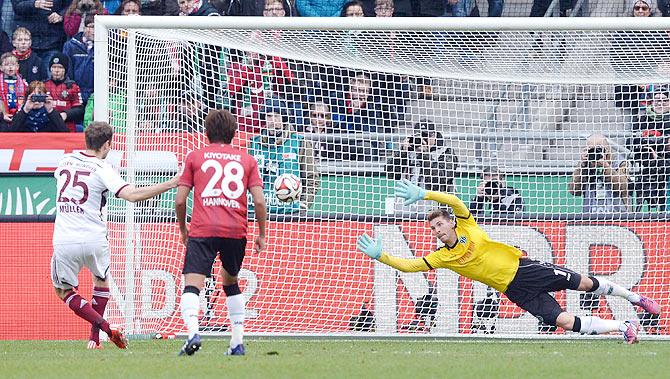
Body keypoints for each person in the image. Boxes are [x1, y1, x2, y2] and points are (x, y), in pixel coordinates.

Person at [357, 179, 661, 343]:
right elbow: (410, 266)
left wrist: (424, 194)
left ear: (449, 223)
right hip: (514, 290)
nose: (436, 231)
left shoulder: (468, 227)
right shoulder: (442, 257)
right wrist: (381, 256)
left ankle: (636, 298)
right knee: (563, 322)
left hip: (526, 269)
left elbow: (456, 202)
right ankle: (624, 327)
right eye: (432, 228)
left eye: (439, 225)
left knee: (583, 283)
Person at [51, 121, 179, 349]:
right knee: (101, 282)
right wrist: (171, 183)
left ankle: (104, 331)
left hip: (65, 238)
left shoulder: (64, 161)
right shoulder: (103, 168)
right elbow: (131, 195)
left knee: (64, 291)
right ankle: (95, 337)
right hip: (94, 238)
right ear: (108, 144)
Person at [175, 109, 267, 356]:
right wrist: (262, 234)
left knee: (192, 285)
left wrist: (184, 228)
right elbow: (259, 201)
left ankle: (193, 333)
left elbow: (180, 200)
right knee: (231, 283)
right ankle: (237, 343)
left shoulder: (195, 157)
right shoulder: (247, 160)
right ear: (234, 134)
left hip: (203, 229)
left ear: (206, 133)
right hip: (235, 230)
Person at [248, 97, 320, 213]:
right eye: (269, 116)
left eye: (276, 116)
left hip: (288, 214)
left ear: (284, 118)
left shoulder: (300, 142)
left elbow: (311, 177)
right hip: (256, 212)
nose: (272, 120)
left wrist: (303, 204)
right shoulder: (253, 144)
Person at [386, 120, 458, 213]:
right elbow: (391, 174)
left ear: (434, 136)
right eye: (419, 136)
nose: (422, 140)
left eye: (426, 136)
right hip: (405, 208)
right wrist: (402, 153)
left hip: (436, 210)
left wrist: (424, 155)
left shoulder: (446, 152)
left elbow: (438, 181)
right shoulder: (408, 151)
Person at [568, 133, 630, 214]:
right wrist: (582, 165)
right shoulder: (586, 165)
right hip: (590, 219)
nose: (594, 153)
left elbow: (623, 188)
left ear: (606, 150)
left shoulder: (620, 163)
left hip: (617, 217)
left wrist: (606, 167)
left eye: (598, 149)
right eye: (591, 150)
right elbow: (574, 191)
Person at [3, 80, 68, 132]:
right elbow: (11, 132)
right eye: (34, 97)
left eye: (40, 96)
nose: (37, 101)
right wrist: (25, 110)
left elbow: (65, 132)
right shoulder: (21, 113)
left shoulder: (51, 114)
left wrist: (50, 111)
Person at [44, 52, 84, 132]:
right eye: (54, 67)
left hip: (67, 127)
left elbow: (79, 110)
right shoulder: (43, 85)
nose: (56, 70)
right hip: (47, 127)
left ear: (65, 69)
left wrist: (66, 114)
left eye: (60, 67)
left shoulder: (73, 86)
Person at [62, 14, 95, 104]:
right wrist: (72, 89)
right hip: (76, 92)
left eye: (97, 27)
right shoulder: (70, 46)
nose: (94, 31)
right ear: (84, 28)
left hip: (96, 94)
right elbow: (67, 71)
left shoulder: (105, 46)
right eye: (92, 27)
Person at [0, 52, 28, 128]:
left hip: (19, 118)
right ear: (1, 68)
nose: (10, 67)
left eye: (12, 64)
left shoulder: (23, 83)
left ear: (17, 67)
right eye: (7, 65)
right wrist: (3, 115)